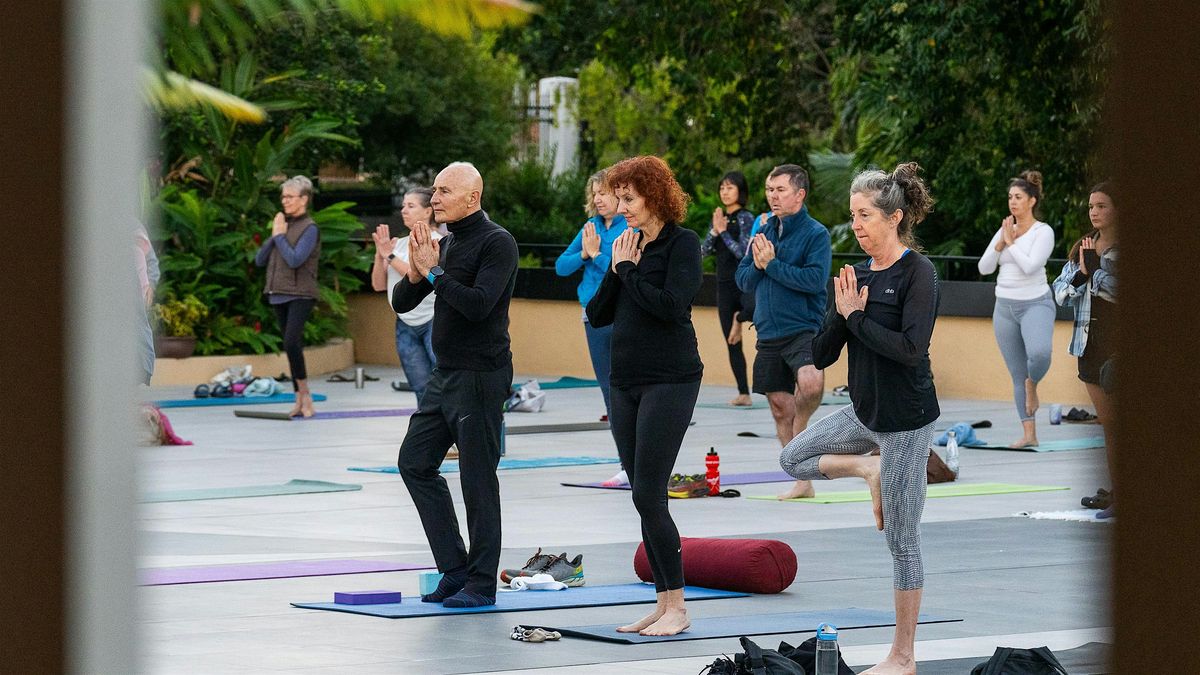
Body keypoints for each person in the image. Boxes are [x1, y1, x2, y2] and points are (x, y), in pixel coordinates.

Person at [780, 163, 939, 675]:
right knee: (792, 456)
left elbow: (911, 349)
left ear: (894, 217)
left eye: (866, 216)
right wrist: (838, 313)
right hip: (864, 413)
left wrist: (855, 318)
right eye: (852, 217)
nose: (858, 227)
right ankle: (867, 469)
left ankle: (903, 656)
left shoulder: (919, 273)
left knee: (902, 540)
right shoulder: (858, 275)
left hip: (907, 422)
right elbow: (823, 355)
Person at [392, 162, 518, 608]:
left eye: (445, 191)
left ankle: (481, 584)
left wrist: (436, 275)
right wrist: (417, 272)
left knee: (477, 479)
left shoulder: (497, 243)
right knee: (414, 462)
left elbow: (480, 306)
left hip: (481, 375)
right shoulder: (444, 244)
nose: (436, 198)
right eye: (435, 190)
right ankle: (455, 568)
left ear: (473, 197)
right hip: (445, 376)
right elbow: (401, 302)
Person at [585, 155, 702, 637]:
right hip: (625, 380)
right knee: (641, 496)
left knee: (651, 493)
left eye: (629, 198)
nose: (621, 206)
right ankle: (662, 601)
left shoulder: (682, 244)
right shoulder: (624, 244)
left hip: (671, 378)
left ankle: (679, 607)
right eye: (619, 197)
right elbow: (597, 314)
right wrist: (616, 267)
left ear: (654, 196)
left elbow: (673, 309)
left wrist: (631, 270)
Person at [735, 164, 832, 500]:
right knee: (779, 405)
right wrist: (761, 264)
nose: (773, 196)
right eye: (769, 190)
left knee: (810, 383)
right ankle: (802, 480)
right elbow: (743, 279)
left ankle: (802, 423)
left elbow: (813, 281)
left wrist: (772, 265)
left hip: (804, 327)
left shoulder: (816, 234)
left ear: (800, 194)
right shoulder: (763, 230)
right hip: (769, 330)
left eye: (780, 190)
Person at [1053, 182, 1118, 518]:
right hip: (1088, 345)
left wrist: (1095, 272)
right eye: (1091, 206)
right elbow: (1060, 293)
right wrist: (1082, 273)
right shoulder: (1085, 246)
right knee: (1108, 422)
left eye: (1102, 206)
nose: (1094, 212)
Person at [977, 170, 1056, 447]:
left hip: (1036, 302)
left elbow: (1031, 265)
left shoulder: (1042, 232)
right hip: (1004, 306)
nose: (1013, 202)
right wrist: (1000, 243)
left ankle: (1032, 384)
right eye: (1010, 197)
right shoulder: (1004, 231)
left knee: (1040, 354)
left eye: (1019, 197)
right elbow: (984, 267)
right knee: (1016, 373)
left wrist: (1012, 243)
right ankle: (1029, 434)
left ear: (1032, 201)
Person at [554, 169, 630, 420]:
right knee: (606, 383)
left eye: (603, 193)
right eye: (594, 193)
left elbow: (620, 268)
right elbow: (561, 267)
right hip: (593, 313)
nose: (597, 199)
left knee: (625, 380)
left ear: (619, 196)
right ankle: (621, 444)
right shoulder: (590, 227)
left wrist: (596, 255)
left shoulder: (629, 227)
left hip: (622, 312)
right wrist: (584, 254)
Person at [371, 187, 444, 406]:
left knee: (443, 382)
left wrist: (389, 255)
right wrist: (379, 253)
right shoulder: (399, 244)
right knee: (420, 386)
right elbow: (377, 285)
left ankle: (454, 432)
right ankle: (432, 436)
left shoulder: (437, 241)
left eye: (411, 206)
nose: (404, 210)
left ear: (427, 212)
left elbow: (420, 274)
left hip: (433, 321)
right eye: (403, 205)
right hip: (405, 323)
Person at [255, 175, 321, 418]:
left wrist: (280, 236)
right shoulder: (282, 226)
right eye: (283, 197)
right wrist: (275, 235)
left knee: (291, 342)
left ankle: (306, 397)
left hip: (300, 293)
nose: (285, 201)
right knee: (291, 346)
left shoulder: (310, 228)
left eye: (290, 197)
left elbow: (295, 259)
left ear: (304, 199)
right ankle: (299, 399)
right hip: (278, 294)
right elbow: (259, 260)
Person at [700, 171, 756, 406]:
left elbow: (744, 251)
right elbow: (702, 252)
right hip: (723, 286)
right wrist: (715, 231)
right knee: (731, 342)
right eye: (722, 187)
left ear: (740, 191)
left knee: (755, 315)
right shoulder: (719, 219)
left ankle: (739, 318)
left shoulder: (746, 217)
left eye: (730, 187)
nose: (725, 191)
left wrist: (723, 231)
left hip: (743, 283)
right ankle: (743, 392)